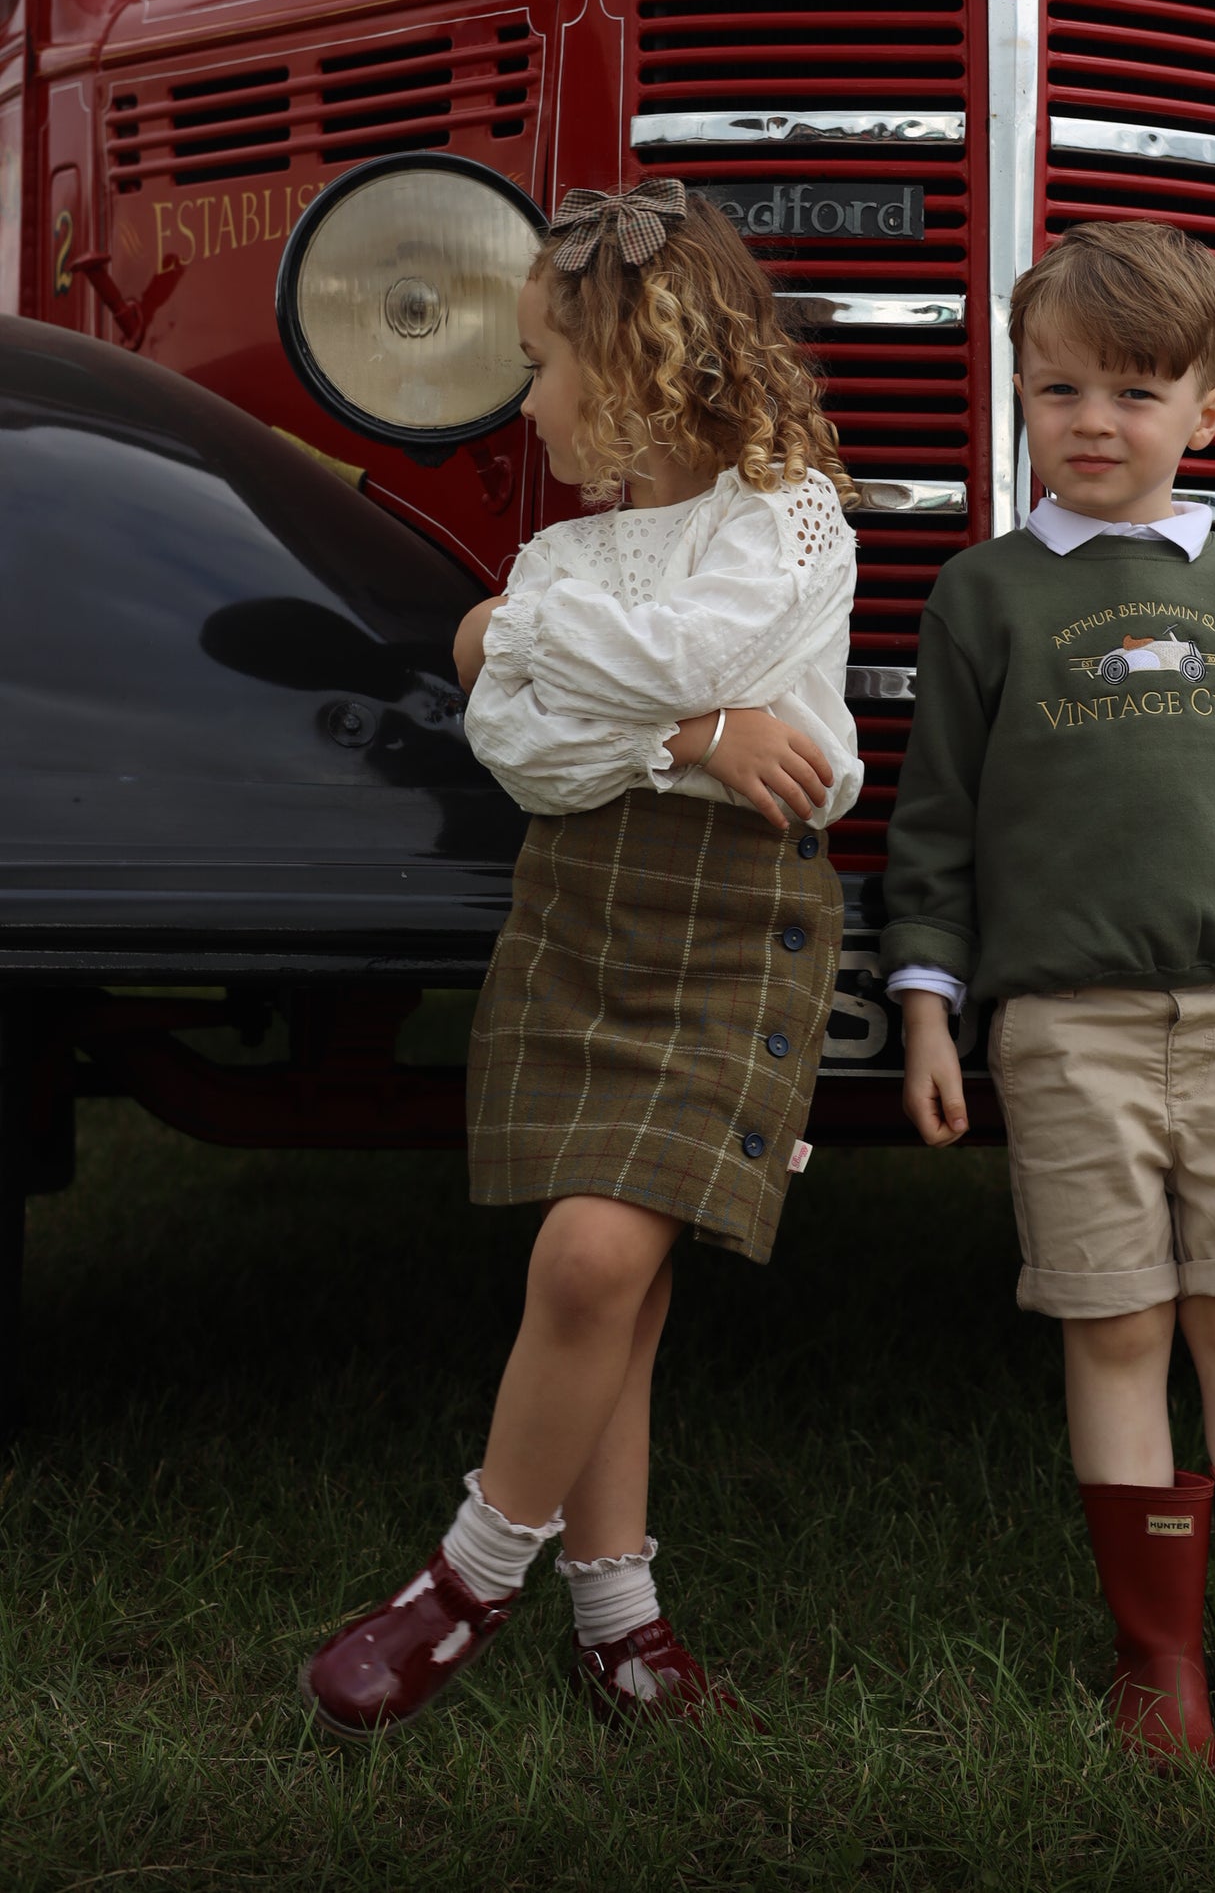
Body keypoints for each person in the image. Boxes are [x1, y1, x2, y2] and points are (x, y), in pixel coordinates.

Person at [302, 178, 862, 1737]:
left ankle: (466, 1583)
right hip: (582, 902)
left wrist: (518, 635)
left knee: (594, 1258)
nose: (528, 396)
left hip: (731, 915)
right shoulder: (569, 555)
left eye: (546, 362)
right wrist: (687, 732)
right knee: (616, 1280)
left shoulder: (790, 516)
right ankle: (622, 1620)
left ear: (643, 367)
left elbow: (688, 652)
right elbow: (523, 754)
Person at [883, 219, 1215, 1770]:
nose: (1096, 422)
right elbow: (936, 821)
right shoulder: (986, 597)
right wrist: (926, 1005)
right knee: (1113, 1326)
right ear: (1020, 399)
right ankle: (1158, 1658)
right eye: (1060, 390)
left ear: (1207, 411)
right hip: (1064, 1030)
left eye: (1137, 391)